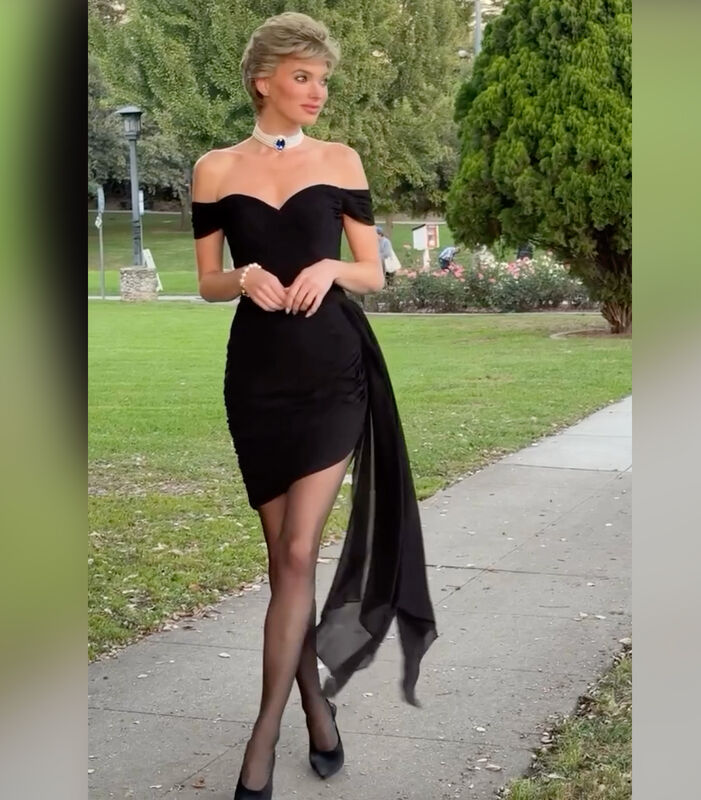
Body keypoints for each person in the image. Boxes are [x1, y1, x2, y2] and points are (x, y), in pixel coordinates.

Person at [189, 13, 438, 800]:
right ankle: (316, 712)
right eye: (303, 77)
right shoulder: (214, 169)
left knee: (297, 554)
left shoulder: (339, 160)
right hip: (257, 379)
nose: (318, 91)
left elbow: (374, 272)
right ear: (262, 80)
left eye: (323, 79)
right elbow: (207, 280)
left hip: (334, 372)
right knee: (283, 564)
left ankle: (261, 741)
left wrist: (330, 270)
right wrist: (243, 277)